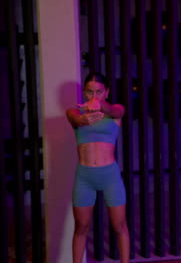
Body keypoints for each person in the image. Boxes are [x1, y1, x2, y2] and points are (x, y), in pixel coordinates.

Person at [66, 72, 129, 263]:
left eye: (99, 92)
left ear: (107, 92)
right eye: (89, 92)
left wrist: (101, 106)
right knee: (81, 227)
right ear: (84, 93)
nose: (94, 96)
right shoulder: (75, 112)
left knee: (120, 226)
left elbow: (118, 112)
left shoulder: (114, 111)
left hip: (109, 175)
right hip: (85, 176)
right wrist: (84, 119)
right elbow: (75, 119)